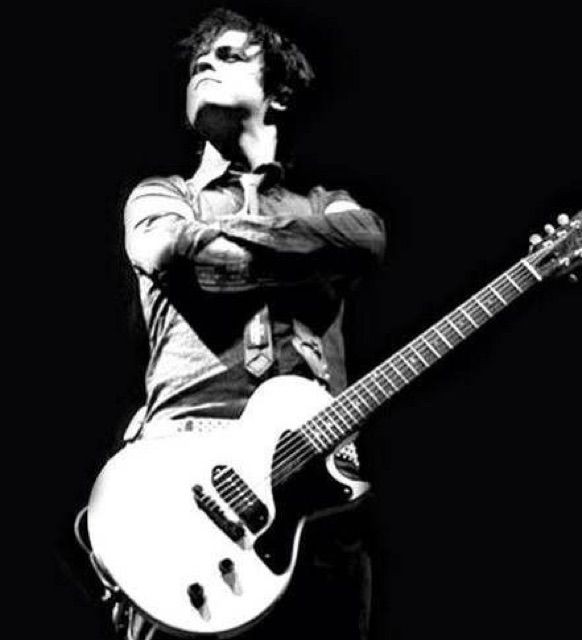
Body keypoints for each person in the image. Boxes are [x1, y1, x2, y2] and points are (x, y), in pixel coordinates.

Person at [91, 7, 386, 640]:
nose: (204, 64)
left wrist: (217, 245)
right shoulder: (162, 195)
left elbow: (364, 240)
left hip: (318, 499)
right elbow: (166, 248)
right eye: (199, 60)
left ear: (279, 95)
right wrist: (308, 252)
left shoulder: (330, 201)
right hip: (181, 491)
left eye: (229, 56)